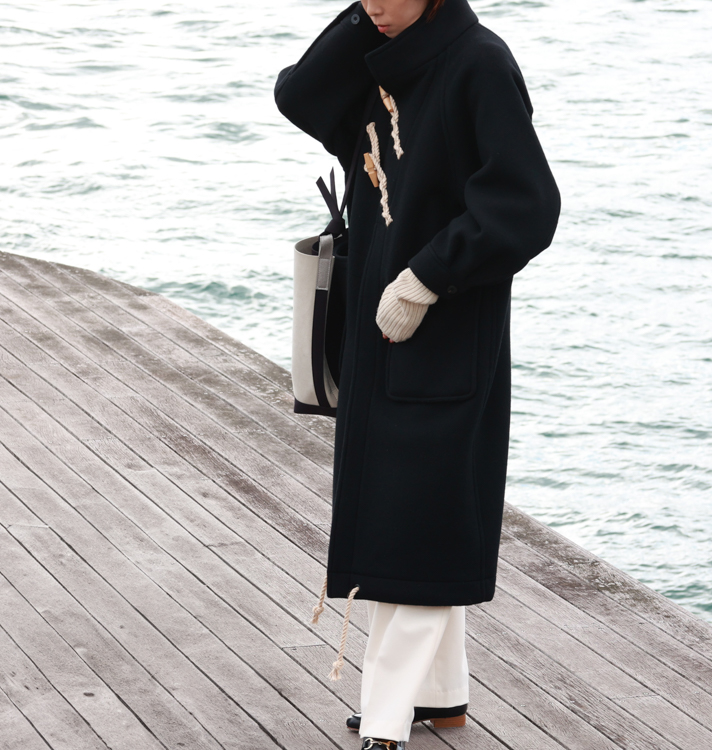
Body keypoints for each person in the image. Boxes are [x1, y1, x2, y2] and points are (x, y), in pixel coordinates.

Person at [274, 0, 560, 747]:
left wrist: (429, 276)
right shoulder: (384, 55)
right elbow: (300, 96)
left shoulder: (480, 63)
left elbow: (527, 204)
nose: (373, 2)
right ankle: (440, 696)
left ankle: (387, 717)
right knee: (401, 513)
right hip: (378, 329)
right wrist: (365, 24)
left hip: (444, 327)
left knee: (422, 526)